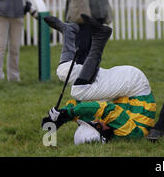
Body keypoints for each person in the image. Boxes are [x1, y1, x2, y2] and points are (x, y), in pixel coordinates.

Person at [41, 14, 155, 144]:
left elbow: (79, 106)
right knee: (79, 91)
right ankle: (99, 38)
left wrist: (60, 115)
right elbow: (105, 109)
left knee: (64, 72)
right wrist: (65, 115)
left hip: (124, 87)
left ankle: (69, 31)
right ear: (102, 131)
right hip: (133, 84)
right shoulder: (128, 134)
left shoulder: (106, 128)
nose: (96, 121)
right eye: (96, 124)